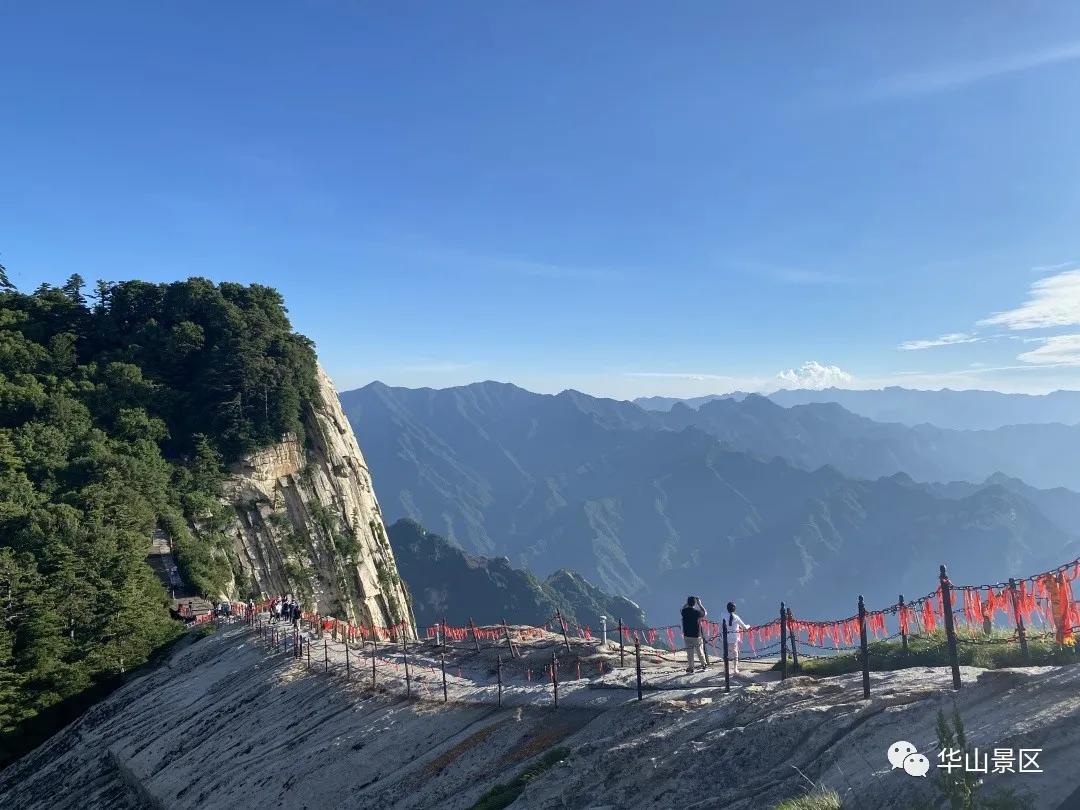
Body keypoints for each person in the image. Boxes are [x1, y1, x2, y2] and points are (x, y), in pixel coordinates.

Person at [681, 596, 707, 674]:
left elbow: (682, 609)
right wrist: (700, 604)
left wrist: (686, 603)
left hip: (687, 635)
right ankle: (703, 665)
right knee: (700, 651)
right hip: (696, 635)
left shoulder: (684, 611)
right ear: (694, 604)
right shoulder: (697, 612)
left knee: (689, 653)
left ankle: (691, 667)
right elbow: (705, 613)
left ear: (688, 603)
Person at [725, 602, 750, 673]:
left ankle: (726, 668)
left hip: (725, 637)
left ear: (727, 608)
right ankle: (735, 668)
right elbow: (744, 627)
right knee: (735, 653)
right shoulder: (736, 617)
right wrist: (749, 626)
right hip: (734, 638)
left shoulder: (722, 616)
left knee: (726, 653)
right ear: (735, 609)